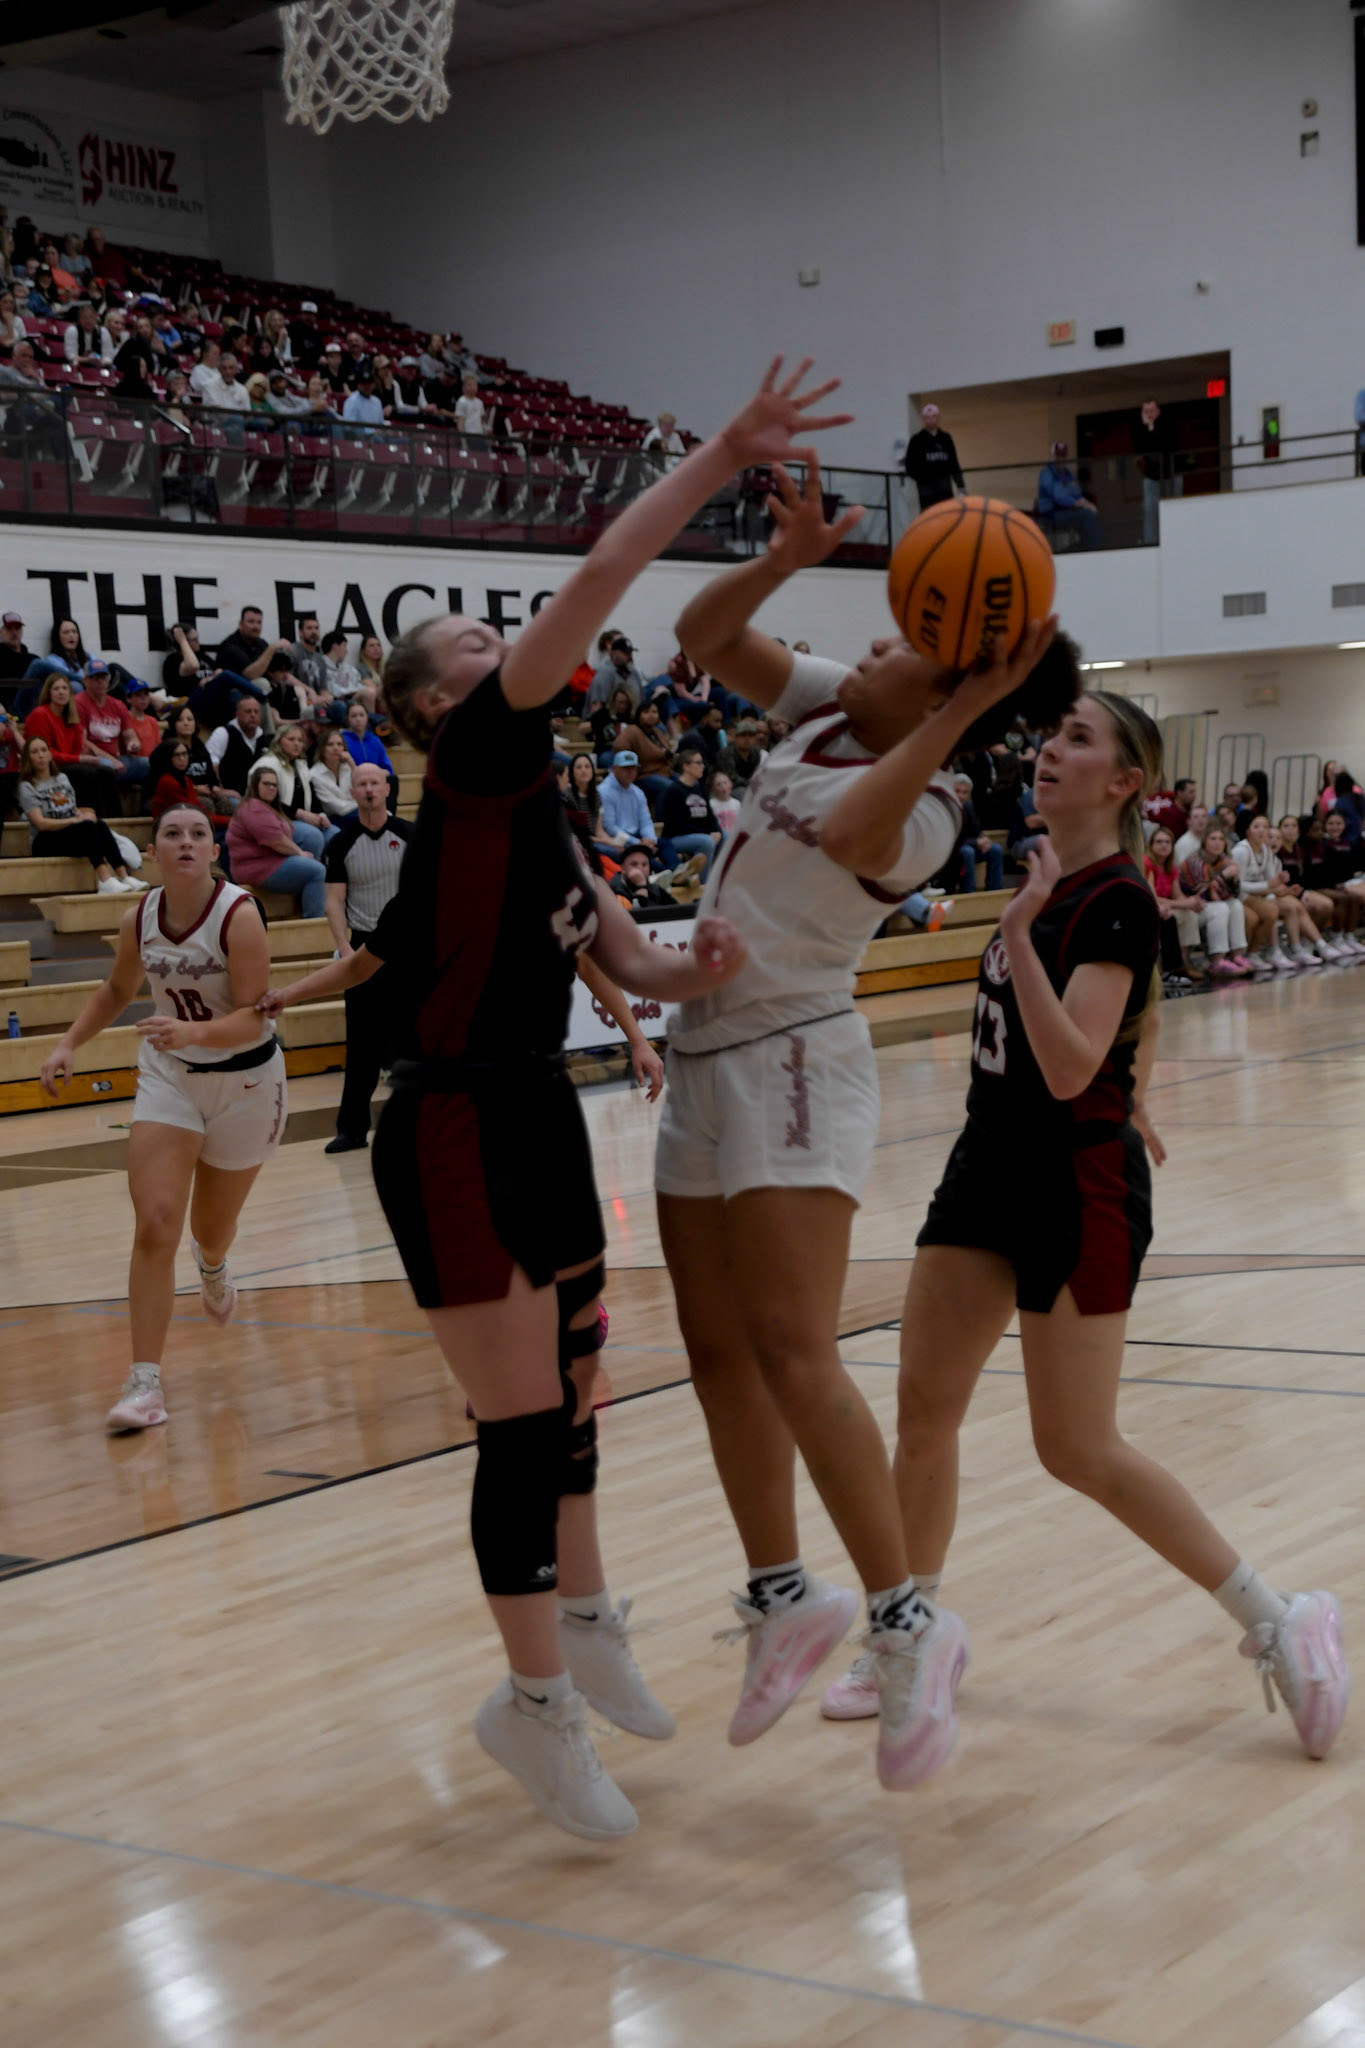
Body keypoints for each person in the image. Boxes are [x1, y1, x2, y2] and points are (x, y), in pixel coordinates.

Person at [253, 355, 840, 1843]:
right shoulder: (474, 753)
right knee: (518, 1428)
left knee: (577, 1396)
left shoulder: (541, 806)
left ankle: (582, 1621)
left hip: (537, 1108)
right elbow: (600, 572)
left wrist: (701, 967)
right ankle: (531, 1707)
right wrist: (721, 453)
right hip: (448, 1121)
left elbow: (622, 956)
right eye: (471, 637)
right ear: (427, 701)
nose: (499, 638)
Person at [821, 691, 1349, 1773]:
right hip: (984, 1167)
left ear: (1122, 781)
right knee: (922, 1413)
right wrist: (1136, 1082)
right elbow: (1129, 1027)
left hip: (1076, 1185)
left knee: (1076, 1446)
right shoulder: (1054, 880)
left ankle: (1278, 1617)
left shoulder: (1112, 898)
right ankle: (908, 1633)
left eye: (1076, 739)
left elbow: (1068, 1067)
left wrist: (1019, 939)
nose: (1048, 751)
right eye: (1051, 734)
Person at [657, 453, 1069, 1786]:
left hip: (793, 1057)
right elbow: (702, 634)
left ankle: (905, 1622)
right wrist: (781, 560)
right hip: (701, 1050)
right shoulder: (835, 698)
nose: (876, 643)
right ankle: (784, 1595)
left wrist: (969, 709)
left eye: (908, 648)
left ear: (947, 693)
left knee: (793, 1348)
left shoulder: (934, 808)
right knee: (716, 1352)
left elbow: (846, 838)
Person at [40, 805, 285, 1432]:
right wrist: (68, 1044)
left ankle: (213, 1264)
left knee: (211, 1230)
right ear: (152, 852)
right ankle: (144, 1383)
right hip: (170, 1077)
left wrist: (193, 1031)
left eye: (199, 833)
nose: (186, 842)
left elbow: (255, 1017)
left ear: (214, 852)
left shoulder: (239, 914)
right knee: (154, 1223)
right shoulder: (139, 917)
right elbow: (117, 991)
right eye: (172, 834)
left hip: (246, 1081)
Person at [322, 764, 411, 1154]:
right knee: (361, 1045)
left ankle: (419, 1123)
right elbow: (334, 900)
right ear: (353, 792)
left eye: (375, 783)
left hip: (410, 948)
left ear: (387, 788)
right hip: (363, 949)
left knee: (414, 1040)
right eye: (362, 784)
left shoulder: (410, 834)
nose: (370, 789)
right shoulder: (342, 842)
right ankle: (352, 1130)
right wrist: (344, 949)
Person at [17, 735, 141, 893]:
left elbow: (71, 808)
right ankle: (105, 880)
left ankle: (124, 876)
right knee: (87, 827)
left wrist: (84, 815)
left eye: (43, 750)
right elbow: (40, 823)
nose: (40, 755)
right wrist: (75, 821)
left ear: (50, 754)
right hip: (44, 840)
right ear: (28, 758)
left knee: (100, 825)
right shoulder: (27, 786)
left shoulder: (62, 778)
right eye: (35, 752)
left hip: (69, 833)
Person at [225, 759, 328, 917]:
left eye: (274, 785)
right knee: (317, 871)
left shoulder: (266, 806)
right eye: (266, 784)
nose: (271, 788)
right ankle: (313, 922)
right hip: (256, 867)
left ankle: (304, 904)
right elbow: (275, 840)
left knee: (311, 839)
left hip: (271, 860)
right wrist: (300, 853)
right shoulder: (253, 807)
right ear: (255, 785)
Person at [1177, 824, 1253, 977]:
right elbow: (1204, 894)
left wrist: (1234, 879)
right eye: (1212, 839)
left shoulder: (1224, 860)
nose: (1217, 843)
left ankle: (1236, 955)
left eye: (1221, 839)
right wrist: (1224, 876)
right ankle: (1217, 960)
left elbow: (1233, 894)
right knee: (1220, 908)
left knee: (1236, 905)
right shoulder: (1194, 862)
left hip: (1208, 906)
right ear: (1204, 842)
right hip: (1191, 908)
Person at [76, 664, 150, 800]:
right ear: (85, 680)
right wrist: (112, 760)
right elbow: (83, 742)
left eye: (104, 677)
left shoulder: (118, 705)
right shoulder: (78, 703)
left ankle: (147, 806)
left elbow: (130, 735)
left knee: (150, 764)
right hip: (91, 760)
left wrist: (133, 744)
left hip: (116, 758)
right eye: (95, 678)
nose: (100, 682)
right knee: (108, 768)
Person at [1144, 824, 1199, 985]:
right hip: (1149, 906)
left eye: (1168, 842)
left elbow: (1177, 894)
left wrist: (1190, 902)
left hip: (1165, 906)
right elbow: (1151, 896)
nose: (1164, 845)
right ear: (1151, 845)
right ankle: (1170, 969)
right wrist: (1184, 903)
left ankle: (1183, 962)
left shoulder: (1170, 866)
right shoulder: (1147, 863)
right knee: (1169, 918)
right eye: (1159, 842)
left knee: (1189, 914)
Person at [266, 722, 335, 850]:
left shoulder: (300, 764)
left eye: (300, 740)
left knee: (334, 834)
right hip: (279, 820)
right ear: (279, 741)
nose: (296, 743)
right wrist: (300, 814)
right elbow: (267, 802)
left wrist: (321, 814)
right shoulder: (268, 764)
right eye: (291, 739)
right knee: (313, 836)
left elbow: (312, 795)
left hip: (302, 818)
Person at [657, 749, 721, 879]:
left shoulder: (700, 789)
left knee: (726, 836)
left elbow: (710, 817)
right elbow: (678, 825)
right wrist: (707, 833)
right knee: (706, 841)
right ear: (686, 766)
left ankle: (719, 879)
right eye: (698, 763)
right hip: (676, 838)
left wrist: (717, 831)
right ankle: (702, 884)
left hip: (699, 834)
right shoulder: (674, 791)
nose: (703, 766)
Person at [902, 401, 965, 511]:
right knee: (929, 517)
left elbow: (954, 463)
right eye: (927, 417)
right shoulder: (916, 440)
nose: (931, 420)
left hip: (945, 489)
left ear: (938, 417)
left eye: (934, 416)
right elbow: (909, 465)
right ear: (923, 419)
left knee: (947, 515)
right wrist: (922, 479)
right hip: (926, 492)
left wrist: (961, 486)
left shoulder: (945, 438)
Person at [205, 695, 268, 805]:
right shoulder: (223, 733)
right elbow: (211, 764)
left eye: (256, 711)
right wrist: (221, 790)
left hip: (256, 797)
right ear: (237, 714)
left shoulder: (263, 738)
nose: (253, 715)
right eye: (248, 711)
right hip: (230, 796)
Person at [1037, 442, 1100, 549]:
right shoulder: (1047, 473)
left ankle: (1087, 548)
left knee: (1090, 513)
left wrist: (1088, 504)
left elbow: (1076, 493)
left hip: (1067, 511)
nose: (1061, 459)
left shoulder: (1068, 473)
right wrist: (1079, 504)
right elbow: (1058, 497)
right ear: (1052, 456)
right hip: (1051, 515)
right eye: (1058, 455)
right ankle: (1093, 548)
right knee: (1086, 515)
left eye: (1063, 455)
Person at [948, 771, 1004, 890]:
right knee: (968, 852)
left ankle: (994, 891)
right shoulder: (946, 809)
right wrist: (975, 842)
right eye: (957, 791)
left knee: (996, 850)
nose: (961, 796)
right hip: (951, 852)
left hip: (968, 845)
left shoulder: (969, 807)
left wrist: (984, 839)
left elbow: (976, 830)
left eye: (965, 792)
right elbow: (950, 840)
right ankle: (969, 892)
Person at [1135, 397, 1179, 545]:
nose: (1149, 414)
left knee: (1173, 507)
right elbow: (1140, 449)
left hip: (1170, 474)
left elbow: (1165, 446)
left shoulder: (1167, 424)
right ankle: (1150, 541)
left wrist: (1152, 428)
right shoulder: (1140, 429)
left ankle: (1174, 537)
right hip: (1151, 476)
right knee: (1150, 508)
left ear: (1158, 411)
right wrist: (1148, 428)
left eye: (1151, 410)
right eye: (1145, 411)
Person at [597, 751, 657, 859]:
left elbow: (646, 821)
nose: (630, 772)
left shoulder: (638, 792)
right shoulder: (603, 791)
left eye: (633, 768)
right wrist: (638, 843)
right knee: (643, 857)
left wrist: (650, 839)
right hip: (616, 839)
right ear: (614, 769)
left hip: (637, 838)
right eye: (625, 768)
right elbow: (610, 828)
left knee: (665, 844)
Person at [149, 738, 216, 824]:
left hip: (187, 823)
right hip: (171, 828)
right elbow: (193, 814)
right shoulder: (167, 782)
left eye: (184, 754)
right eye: (176, 755)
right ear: (167, 757)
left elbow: (200, 810)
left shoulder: (187, 780)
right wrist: (229, 821)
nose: (182, 758)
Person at [311, 726, 358, 821]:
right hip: (334, 818)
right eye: (330, 744)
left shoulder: (348, 767)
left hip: (356, 812)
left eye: (339, 744)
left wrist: (352, 764)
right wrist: (365, 807)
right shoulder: (314, 774)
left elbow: (363, 790)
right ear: (322, 750)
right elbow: (338, 808)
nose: (335, 748)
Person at [610, 843, 676, 909]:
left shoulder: (655, 889)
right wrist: (641, 887)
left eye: (644, 865)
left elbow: (677, 910)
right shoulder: (613, 891)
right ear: (623, 868)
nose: (640, 869)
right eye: (634, 864)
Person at [454, 373, 488, 441]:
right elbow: (460, 422)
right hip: (468, 435)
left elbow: (481, 420)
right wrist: (463, 440)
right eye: (469, 385)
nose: (473, 387)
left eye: (475, 385)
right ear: (463, 387)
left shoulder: (479, 402)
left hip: (479, 434)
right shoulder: (461, 401)